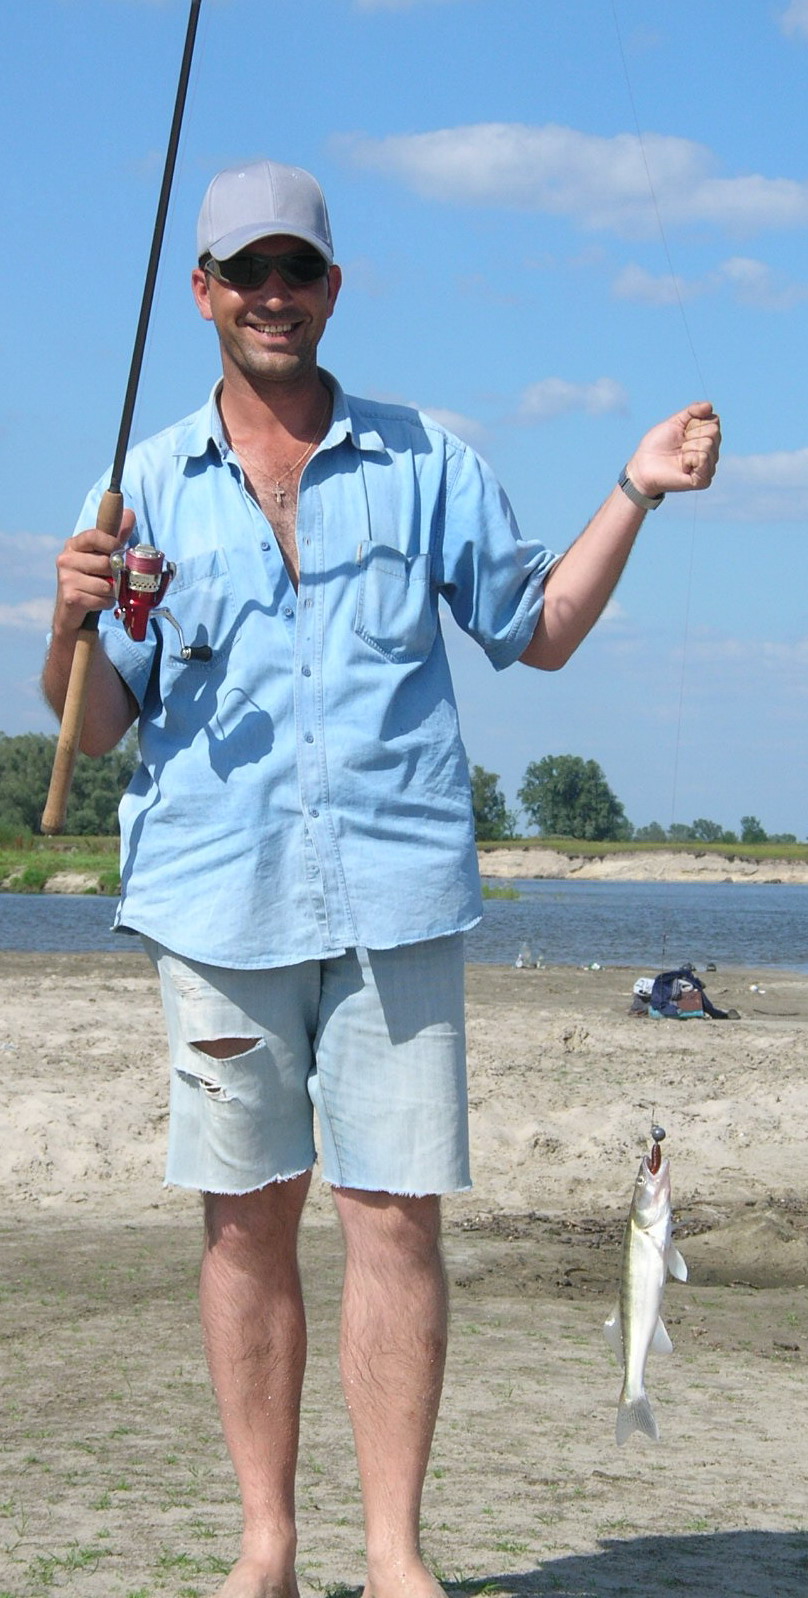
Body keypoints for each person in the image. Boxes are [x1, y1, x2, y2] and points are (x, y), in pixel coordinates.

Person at [43, 158, 720, 1598]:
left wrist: (635, 490)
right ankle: (266, 1547)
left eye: (298, 269)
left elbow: (538, 629)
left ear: (334, 287)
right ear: (203, 292)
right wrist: (69, 623)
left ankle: (396, 1554)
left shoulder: (428, 461)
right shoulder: (138, 487)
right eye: (247, 271)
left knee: (396, 1218)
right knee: (245, 1223)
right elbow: (93, 728)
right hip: (214, 904)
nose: (273, 295)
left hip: (398, 900)